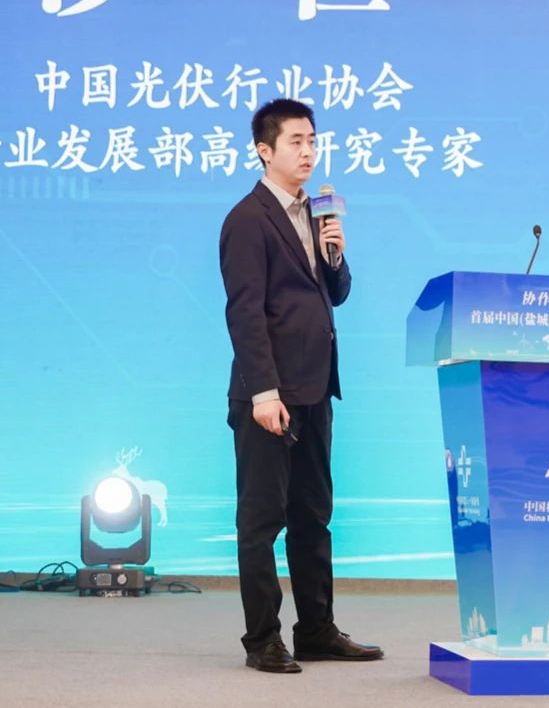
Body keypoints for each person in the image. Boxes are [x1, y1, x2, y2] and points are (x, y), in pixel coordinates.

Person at [218, 98, 384, 674]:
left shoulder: (316, 214)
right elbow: (245, 312)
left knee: (313, 515)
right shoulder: (247, 219)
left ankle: (315, 629)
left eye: (312, 140)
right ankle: (262, 640)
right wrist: (263, 392)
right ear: (265, 150)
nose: (308, 151)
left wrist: (335, 256)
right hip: (270, 397)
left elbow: (333, 294)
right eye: (295, 141)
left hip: (314, 389)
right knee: (262, 521)